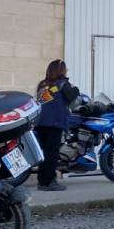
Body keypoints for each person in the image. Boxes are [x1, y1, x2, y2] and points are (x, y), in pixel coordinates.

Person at [35, 59, 79, 192]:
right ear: (61, 71)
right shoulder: (63, 83)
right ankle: (50, 182)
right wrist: (76, 89)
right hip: (54, 123)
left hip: (40, 123)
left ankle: (42, 182)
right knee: (51, 153)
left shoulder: (43, 84)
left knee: (44, 153)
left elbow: (42, 101)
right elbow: (71, 97)